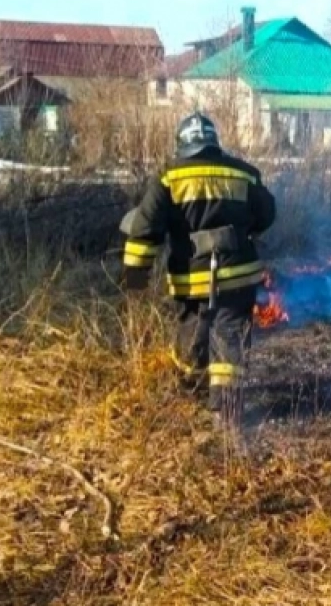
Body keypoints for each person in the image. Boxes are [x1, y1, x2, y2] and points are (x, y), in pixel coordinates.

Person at [118, 111, 276, 430]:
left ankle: (189, 393)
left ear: (182, 144)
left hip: (191, 280)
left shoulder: (169, 176)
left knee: (193, 333)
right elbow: (267, 214)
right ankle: (227, 414)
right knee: (229, 335)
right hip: (238, 276)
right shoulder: (244, 173)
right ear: (214, 141)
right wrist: (246, 228)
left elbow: (145, 228)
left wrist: (136, 276)